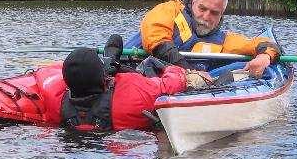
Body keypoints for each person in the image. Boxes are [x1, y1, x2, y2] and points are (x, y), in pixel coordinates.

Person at [125, 0, 281, 77]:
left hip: (177, 89)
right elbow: (156, 40)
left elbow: (267, 44)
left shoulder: (224, 40)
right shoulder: (169, 10)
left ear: (221, 15)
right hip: (132, 69)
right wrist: (189, 71)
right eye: (202, 8)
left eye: (214, 13)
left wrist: (264, 57)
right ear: (193, 2)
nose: (206, 16)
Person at [56, 46, 208, 131]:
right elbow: (172, 84)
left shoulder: (53, 103)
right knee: (151, 63)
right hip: (124, 141)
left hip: (83, 144)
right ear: (103, 77)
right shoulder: (133, 95)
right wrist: (173, 69)